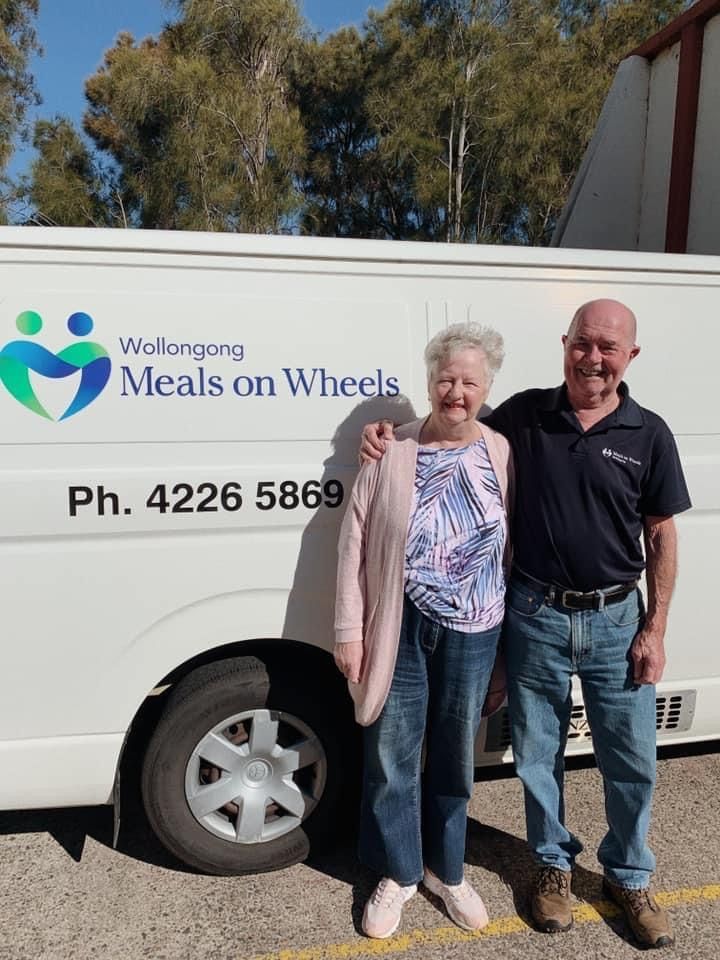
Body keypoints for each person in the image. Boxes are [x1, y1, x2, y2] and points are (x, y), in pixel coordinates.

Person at [360, 299, 691, 949]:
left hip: (618, 620)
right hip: (535, 614)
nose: (593, 358)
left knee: (631, 761)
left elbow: (662, 536)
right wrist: (387, 433)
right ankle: (551, 868)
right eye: (583, 343)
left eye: (608, 347)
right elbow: (450, 427)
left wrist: (655, 628)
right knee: (539, 756)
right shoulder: (524, 417)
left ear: (630, 356)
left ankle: (628, 875)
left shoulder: (649, 433)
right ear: (565, 343)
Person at [335, 322, 513, 939]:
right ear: (428, 383)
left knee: (455, 756)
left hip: (477, 626)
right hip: (400, 625)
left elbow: (513, 547)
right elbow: (354, 539)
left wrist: (505, 654)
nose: (455, 391)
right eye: (445, 379)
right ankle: (401, 873)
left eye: (469, 381)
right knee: (392, 754)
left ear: (487, 386)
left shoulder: (502, 451)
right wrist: (350, 629)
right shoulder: (391, 450)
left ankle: (448, 869)